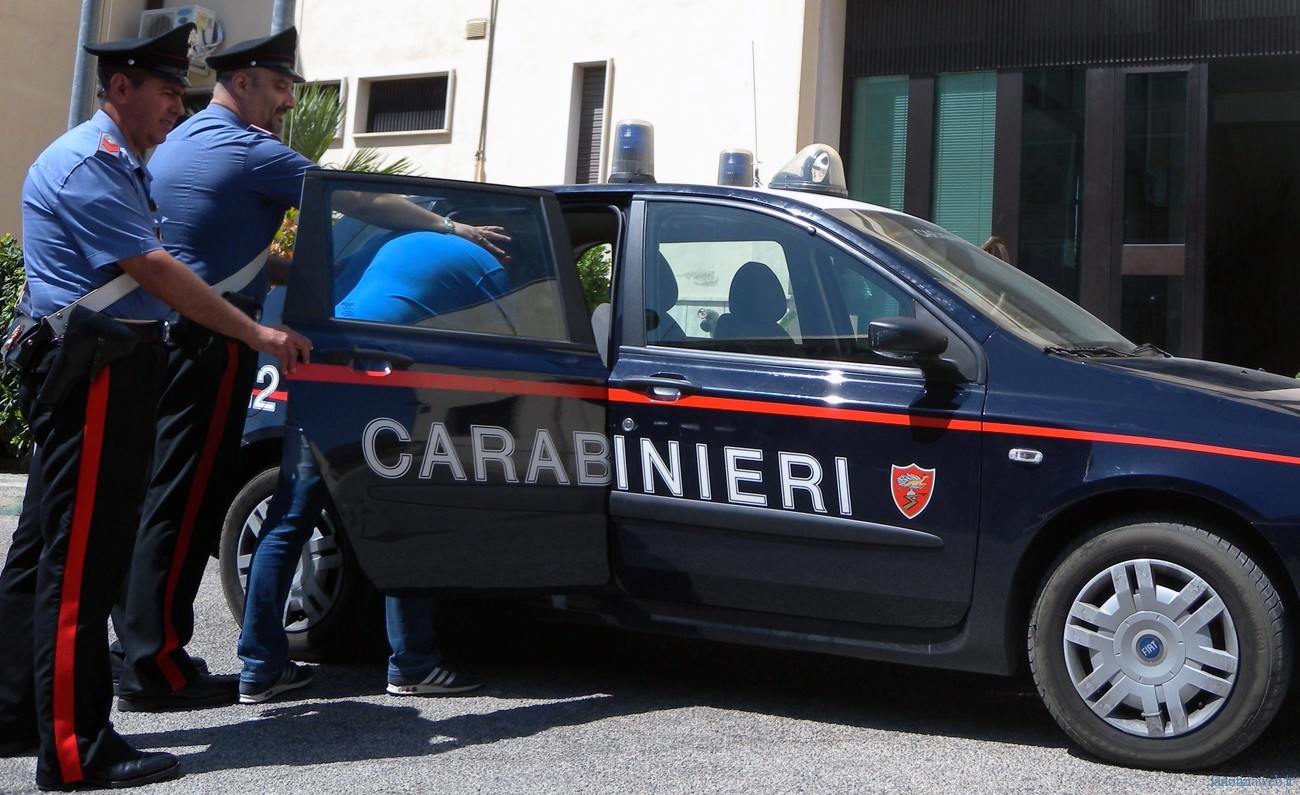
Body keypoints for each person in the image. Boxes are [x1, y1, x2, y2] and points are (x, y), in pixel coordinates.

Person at [109, 26, 507, 712]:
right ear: (244, 82)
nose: (288, 102)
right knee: (187, 502)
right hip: (209, 343)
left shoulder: (183, 143)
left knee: (162, 496)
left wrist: (310, 274)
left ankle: (143, 649)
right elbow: (361, 199)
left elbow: (228, 255)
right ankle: (154, 662)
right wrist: (453, 229)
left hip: (163, 337)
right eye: (281, 86)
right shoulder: (248, 148)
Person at [0, 23, 312, 791]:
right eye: (169, 92)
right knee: (81, 564)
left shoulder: (121, 162)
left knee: (41, 551)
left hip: (93, 365)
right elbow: (154, 268)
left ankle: (13, 709)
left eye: (184, 93)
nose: (179, 108)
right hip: (100, 371)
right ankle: (75, 749)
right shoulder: (95, 162)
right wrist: (257, 330)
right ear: (120, 89)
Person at [239, 228, 509, 703]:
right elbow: (513, 341)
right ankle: (413, 664)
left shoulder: (387, 244)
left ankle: (259, 667)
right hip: (380, 383)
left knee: (289, 518)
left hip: (323, 368)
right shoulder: (489, 267)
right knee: (402, 516)